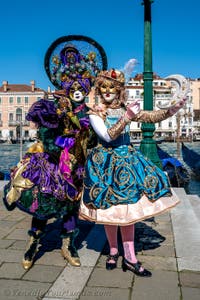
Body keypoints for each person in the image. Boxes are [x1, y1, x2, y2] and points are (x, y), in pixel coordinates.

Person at [3, 42, 105, 270]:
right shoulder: (55, 108)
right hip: (51, 165)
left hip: (77, 167)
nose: (77, 92)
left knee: (70, 207)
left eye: (82, 89)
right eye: (73, 88)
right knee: (44, 205)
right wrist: (62, 142)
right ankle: (33, 243)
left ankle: (67, 245)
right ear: (67, 88)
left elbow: (96, 141)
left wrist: (88, 137)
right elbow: (46, 136)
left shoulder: (90, 114)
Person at [79, 68, 186, 277]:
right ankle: (112, 250)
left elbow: (150, 117)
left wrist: (171, 111)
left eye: (112, 87)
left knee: (129, 212)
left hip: (128, 164)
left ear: (119, 90)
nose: (108, 91)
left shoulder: (126, 107)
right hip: (105, 165)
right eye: (104, 87)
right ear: (100, 89)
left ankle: (130, 258)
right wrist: (127, 117)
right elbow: (107, 136)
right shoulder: (95, 112)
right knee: (109, 212)